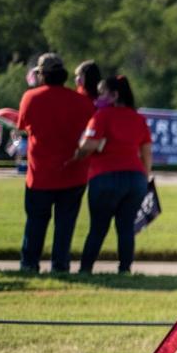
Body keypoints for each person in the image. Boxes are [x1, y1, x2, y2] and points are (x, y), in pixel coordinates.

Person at [16, 52, 94, 273]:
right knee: (65, 226)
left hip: (39, 175)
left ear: (42, 75)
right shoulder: (81, 102)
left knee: (35, 224)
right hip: (73, 174)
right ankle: (60, 266)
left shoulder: (30, 98)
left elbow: (23, 125)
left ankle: (29, 264)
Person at [73, 74, 152, 274]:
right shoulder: (138, 119)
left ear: (114, 95)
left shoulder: (102, 116)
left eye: (102, 94)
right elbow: (146, 154)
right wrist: (144, 178)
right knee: (125, 228)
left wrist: (80, 152)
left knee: (98, 228)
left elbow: (87, 145)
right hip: (135, 179)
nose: (98, 98)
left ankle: (86, 269)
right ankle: (125, 270)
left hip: (105, 177)